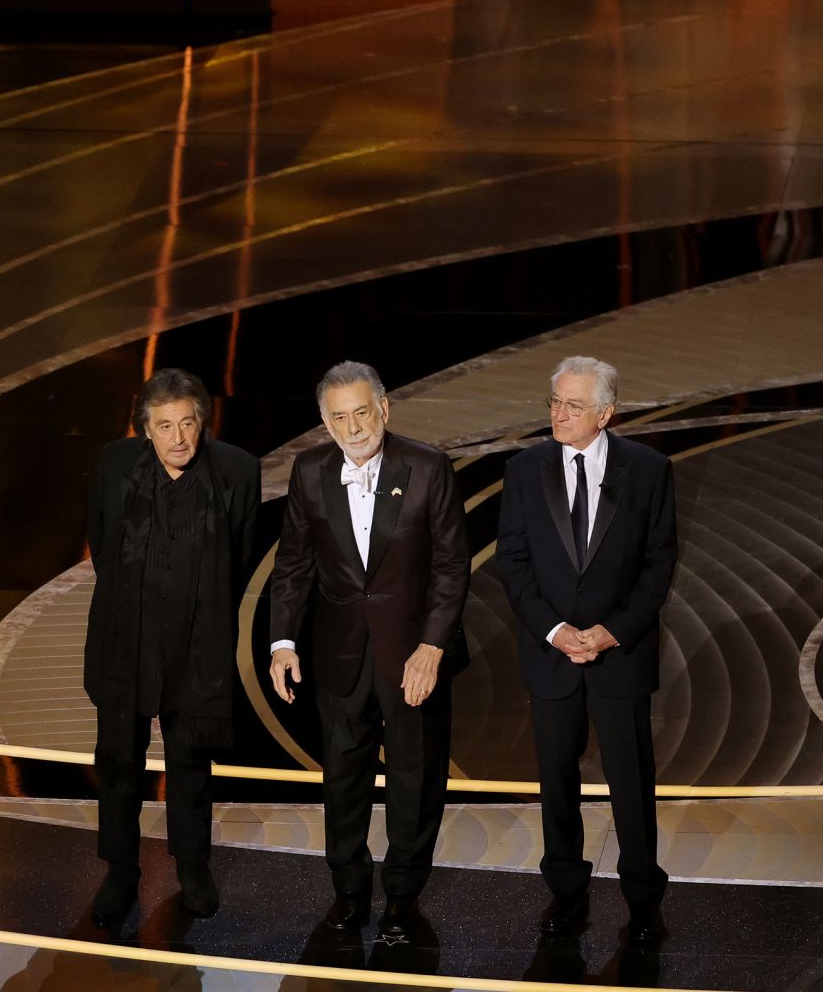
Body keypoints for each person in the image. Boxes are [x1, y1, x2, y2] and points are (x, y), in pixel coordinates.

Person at [268, 361, 470, 938]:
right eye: (338, 416)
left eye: (362, 412)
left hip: (413, 659)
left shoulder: (428, 467)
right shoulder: (309, 472)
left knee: (415, 778)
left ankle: (403, 898)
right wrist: (283, 642)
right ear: (323, 422)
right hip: (339, 658)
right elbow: (293, 566)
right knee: (343, 780)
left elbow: (452, 568)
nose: (353, 426)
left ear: (384, 408)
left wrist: (432, 645)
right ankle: (350, 892)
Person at [495, 355, 677, 944]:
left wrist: (609, 631)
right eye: (554, 402)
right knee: (555, 777)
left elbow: (657, 565)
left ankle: (644, 897)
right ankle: (566, 891)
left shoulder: (648, 469)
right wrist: (555, 631)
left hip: (619, 652)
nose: (559, 414)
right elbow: (513, 562)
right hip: (550, 653)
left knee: (631, 780)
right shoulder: (525, 469)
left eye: (573, 405)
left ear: (606, 412)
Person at [83, 368, 260, 927]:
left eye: (187, 424)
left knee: (190, 763)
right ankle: (120, 869)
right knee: (117, 761)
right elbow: (102, 540)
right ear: (146, 430)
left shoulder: (236, 470)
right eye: (165, 426)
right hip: (125, 640)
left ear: (202, 424)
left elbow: (243, 556)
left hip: (196, 644)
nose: (178, 438)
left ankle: (192, 866)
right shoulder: (116, 463)